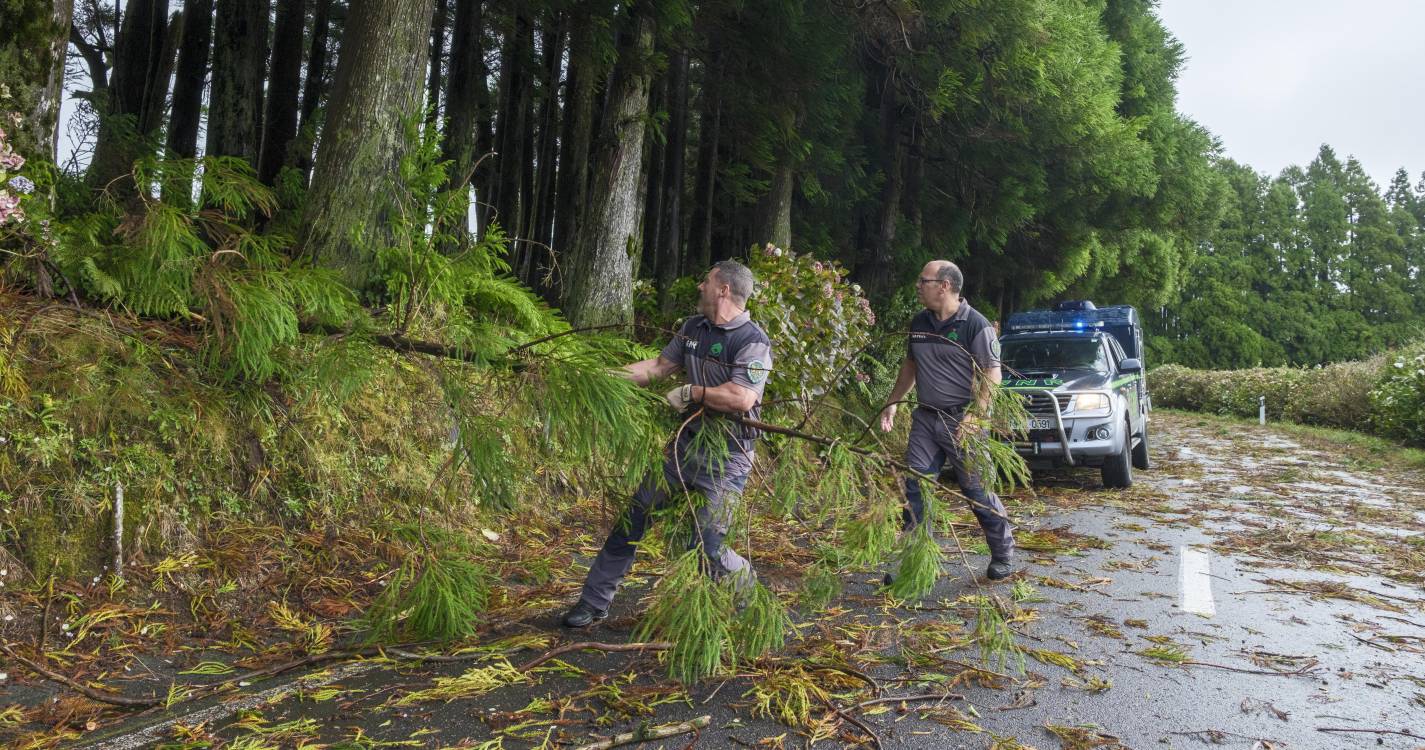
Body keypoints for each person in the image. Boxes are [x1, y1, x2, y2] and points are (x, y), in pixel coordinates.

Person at [562, 260, 774, 628]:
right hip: (683, 446)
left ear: (724, 289)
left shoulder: (752, 341)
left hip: (727, 458)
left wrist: (694, 391)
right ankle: (593, 602)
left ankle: (753, 601)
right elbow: (658, 367)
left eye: (706, 281)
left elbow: (742, 397)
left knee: (708, 544)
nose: (700, 287)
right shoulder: (694, 329)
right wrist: (601, 378)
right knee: (633, 518)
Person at [879, 260, 1015, 581]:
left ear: (944, 286)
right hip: (926, 420)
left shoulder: (975, 325)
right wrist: (893, 403)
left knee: (977, 492)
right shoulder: (919, 323)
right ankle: (913, 562)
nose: (918, 285)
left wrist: (976, 415)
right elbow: (910, 367)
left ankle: (1002, 553)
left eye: (923, 280)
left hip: (961, 421)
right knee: (916, 489)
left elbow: (992, 375)